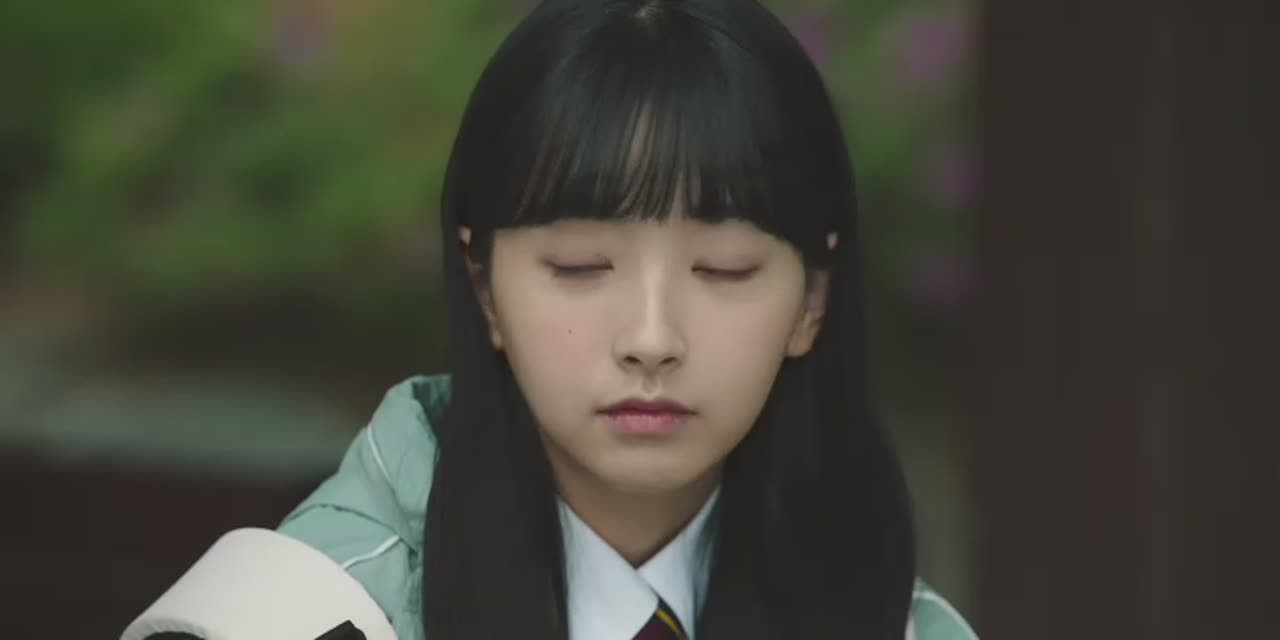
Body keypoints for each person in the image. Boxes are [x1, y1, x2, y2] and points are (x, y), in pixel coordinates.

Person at [125, 1, 979, 638]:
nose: (651, 339)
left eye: (724, 269)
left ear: (813, 299)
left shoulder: (896, 625)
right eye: (579, 267)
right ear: (484, 287)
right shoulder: (295, 620)